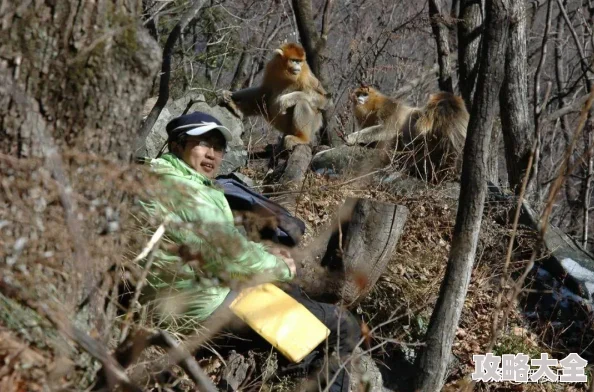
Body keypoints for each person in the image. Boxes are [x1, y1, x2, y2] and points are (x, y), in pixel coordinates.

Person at [138, 111, 360, 392]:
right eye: (203, 143)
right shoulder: (179, 187)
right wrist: (279, 266)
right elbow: (226, 252)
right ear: (177, 145)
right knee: (342, 326)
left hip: (196, 296)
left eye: (218, 147)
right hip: (208, 304)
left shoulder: (173, 180)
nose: (212, 154)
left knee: (307, 329)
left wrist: (263, 255)